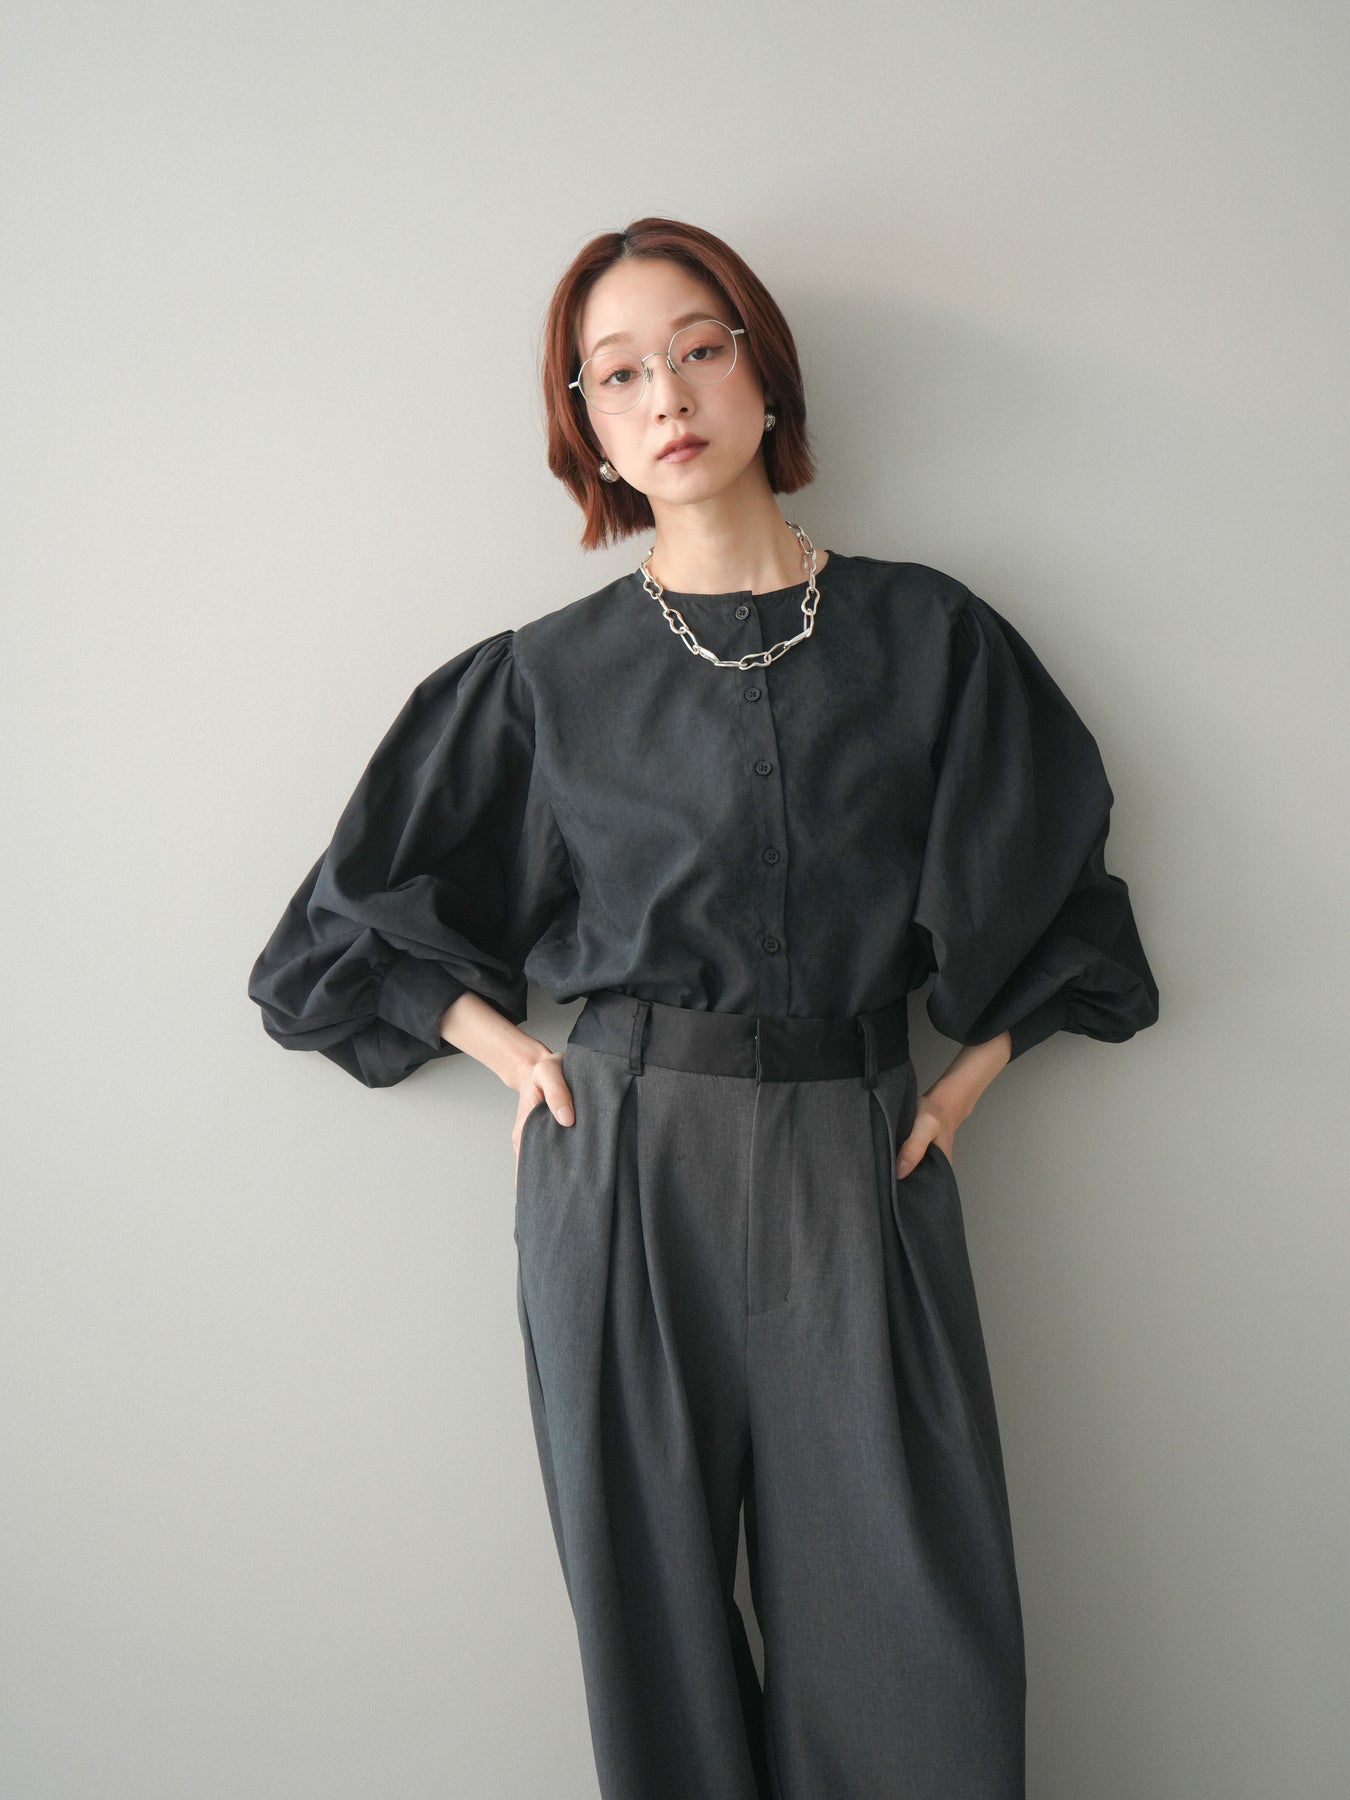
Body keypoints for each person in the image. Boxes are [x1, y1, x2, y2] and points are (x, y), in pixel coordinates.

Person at [247, 216, 1160, 1800]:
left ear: (760, 371)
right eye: (614, 374)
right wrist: (514, 1054)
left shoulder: (927, 636)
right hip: (623, 1161)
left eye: (695, 346)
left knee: (915, 1649)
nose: (662, 393)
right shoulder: (545, 677)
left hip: (857, 1151)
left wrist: (957, 1090)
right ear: (587, 428)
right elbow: (341, 927)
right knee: (653, 1641)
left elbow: (1062, 900)